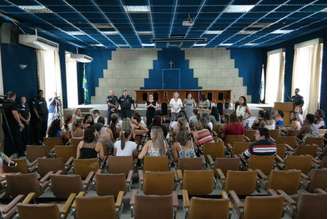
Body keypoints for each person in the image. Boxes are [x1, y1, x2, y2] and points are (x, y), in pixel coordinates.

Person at [3, 91, 25, 156]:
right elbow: (15, 113)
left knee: (8, 139)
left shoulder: (4, 103)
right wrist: (20, 123)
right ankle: (21, 154)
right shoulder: (12, 103)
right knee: (17, 138)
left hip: (5, 124)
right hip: (13, 124)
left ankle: (9, 154)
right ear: (14, 96)